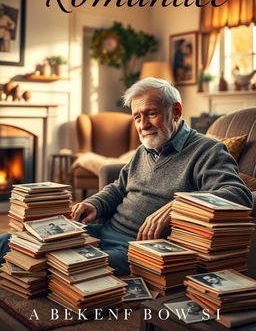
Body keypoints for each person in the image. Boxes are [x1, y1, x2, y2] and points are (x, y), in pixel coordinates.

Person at [0, 78, 252, 274]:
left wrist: (179, 205)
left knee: (66, 267)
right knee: (11, 241)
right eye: (137, 117)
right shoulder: (145, 149)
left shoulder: (207, 150)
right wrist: (93, 203)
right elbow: (119, 187)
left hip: (140, 248)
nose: (143, 125)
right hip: (100, 230)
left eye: (151, 113)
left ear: (176, 111)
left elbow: (238, 194)